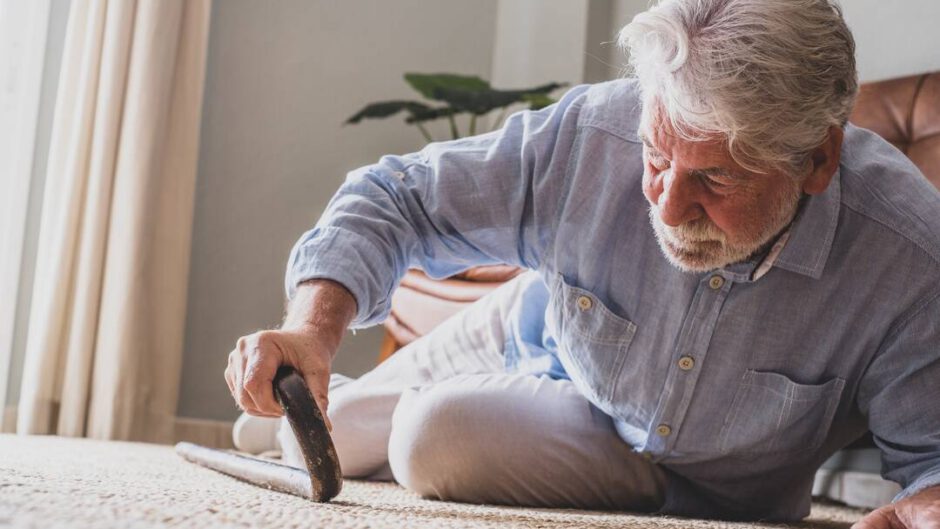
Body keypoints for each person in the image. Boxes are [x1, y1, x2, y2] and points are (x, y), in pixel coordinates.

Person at [224, 0, 940, 525]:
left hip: (679, 472)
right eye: (657, 159)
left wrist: (925, 507)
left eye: (715, 181)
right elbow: (395, 197)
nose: (666, 206)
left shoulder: (906, 255)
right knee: (296, 430)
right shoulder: (593, 131)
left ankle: (338, 417)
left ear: (817, 160)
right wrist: (312, 330)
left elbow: (931, 457)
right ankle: (317, 412)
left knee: (432, 438)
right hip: (533, 329)